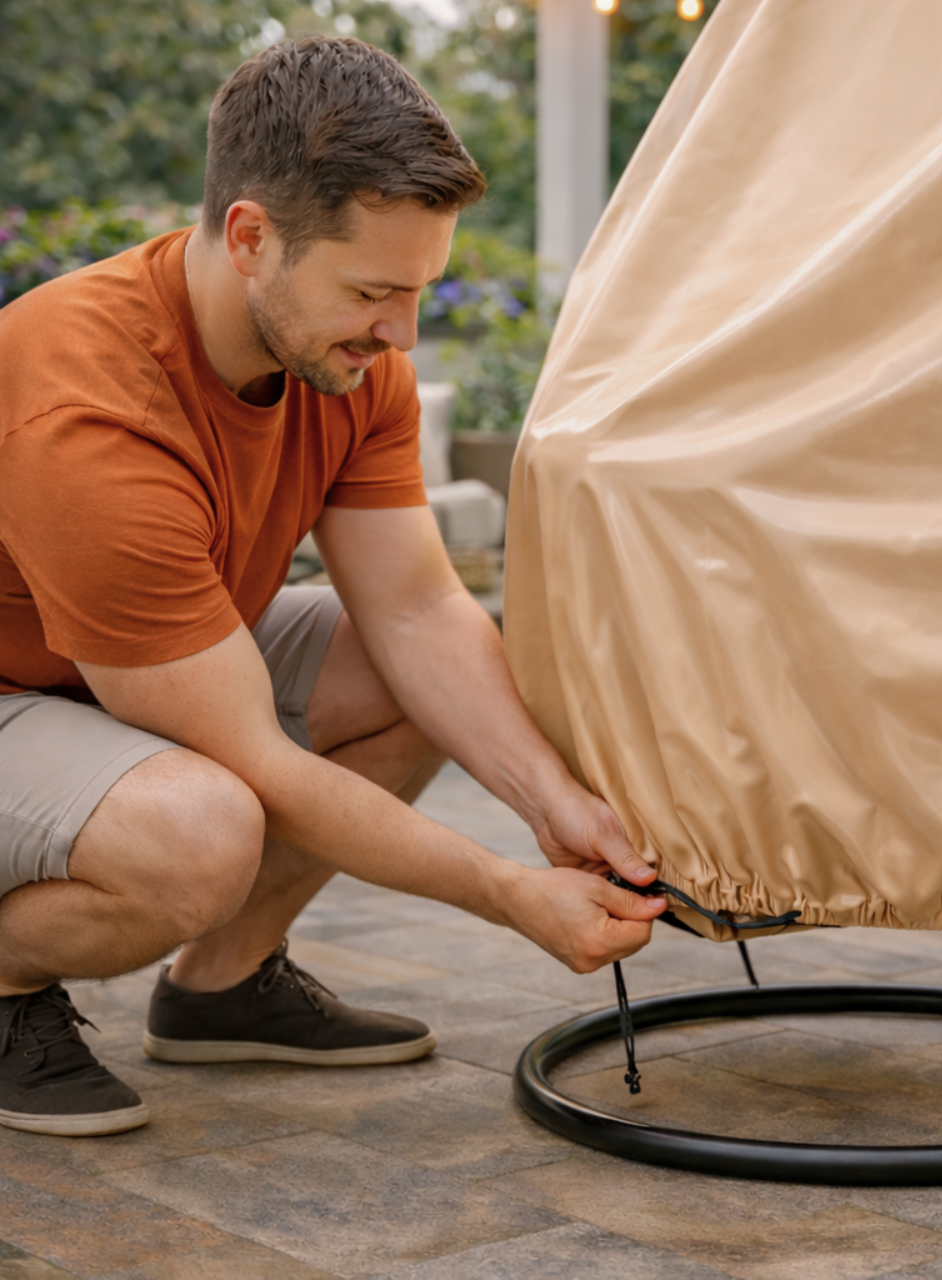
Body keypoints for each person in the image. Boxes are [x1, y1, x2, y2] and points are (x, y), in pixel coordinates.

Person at [0, 35, 665, 1139]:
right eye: (371, 290)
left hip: (120, 674)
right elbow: (253, 758)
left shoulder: (349, 365)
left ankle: (223, 986)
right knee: (201, 830)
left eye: (417, 291)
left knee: (440, 673)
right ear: (252, 237)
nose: (399, 335)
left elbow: (415, 609)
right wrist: (510, 893)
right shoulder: (86, 404)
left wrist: (553, 804)